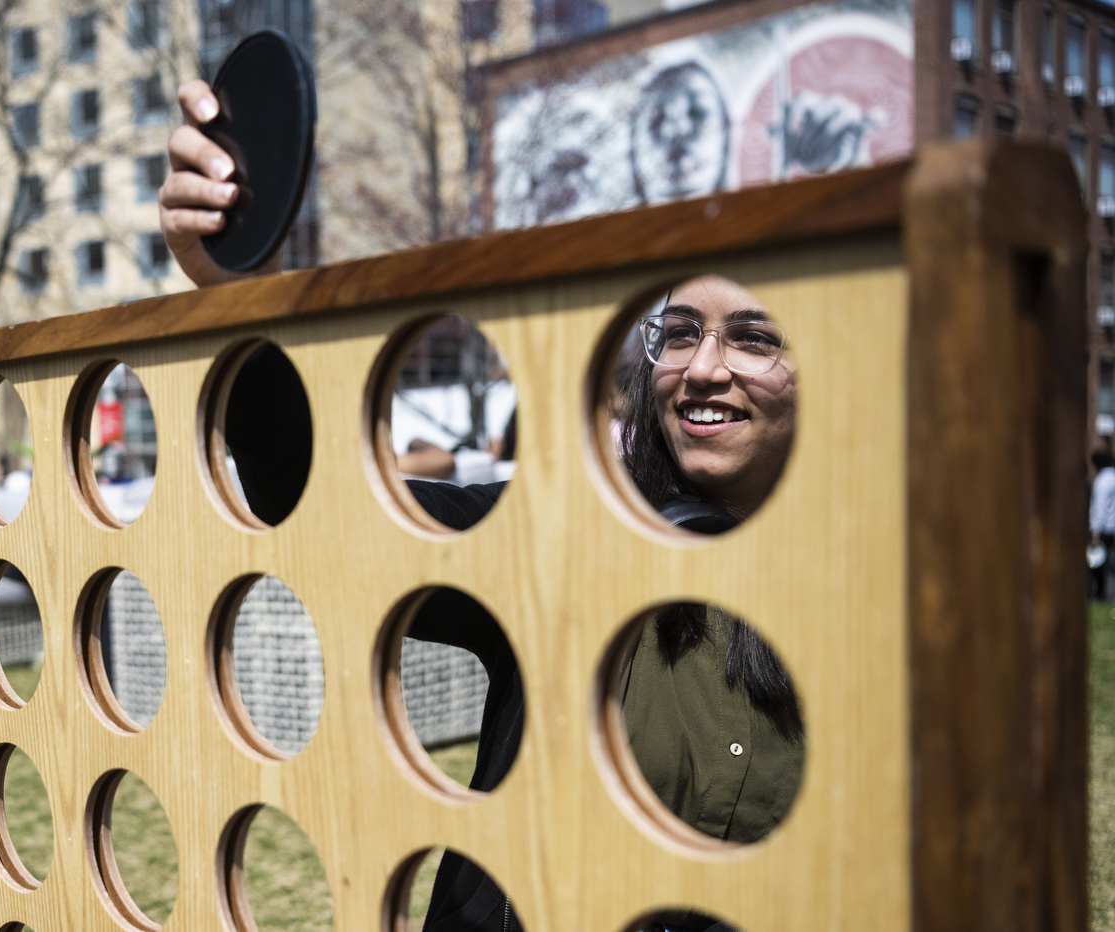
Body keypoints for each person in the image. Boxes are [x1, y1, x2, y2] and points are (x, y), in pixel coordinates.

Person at [162, 81, 802, 932]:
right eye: (680, 333)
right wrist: (229, 286)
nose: (702, 367)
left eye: (755, 338)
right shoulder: (567, 536)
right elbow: (320, 506)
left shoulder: (882, 594)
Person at [1092, 449, 1115, 600]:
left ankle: (1100, 594)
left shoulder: (1101, 481)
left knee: (1099, 563)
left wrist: (1095, 531)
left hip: (1105, 527)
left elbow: (1099, 507)